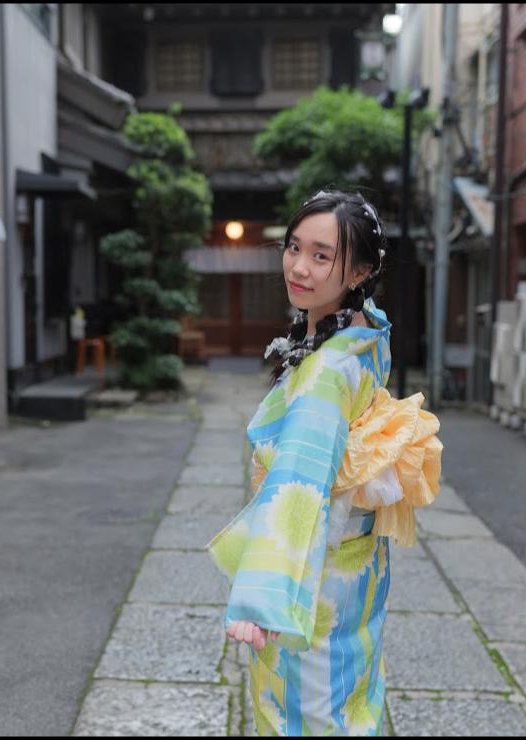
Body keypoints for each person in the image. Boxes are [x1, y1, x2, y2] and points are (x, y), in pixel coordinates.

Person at [207, 190, 443, 736]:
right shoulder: (364, 330)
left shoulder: (326, 374)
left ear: (360, 271)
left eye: (321, 256)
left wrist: (264, 599)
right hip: (355, 566)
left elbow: (299, 484)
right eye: (294, 248)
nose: (298, 267)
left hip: (314, 579)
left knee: (306, 713)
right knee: (349, 698)